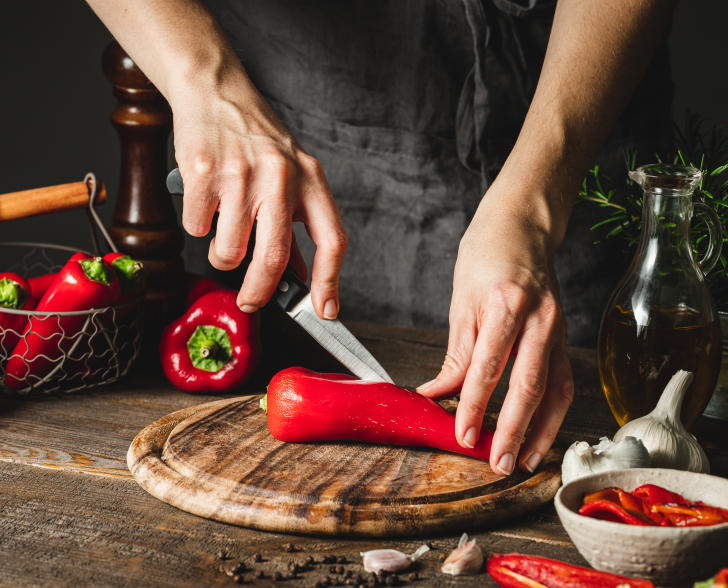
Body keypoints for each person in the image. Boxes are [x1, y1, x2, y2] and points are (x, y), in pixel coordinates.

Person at [85, 0, 675, 476]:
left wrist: (535, 203)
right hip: (307, 122)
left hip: (580, 117)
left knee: (596, 423)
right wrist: (207, 83)